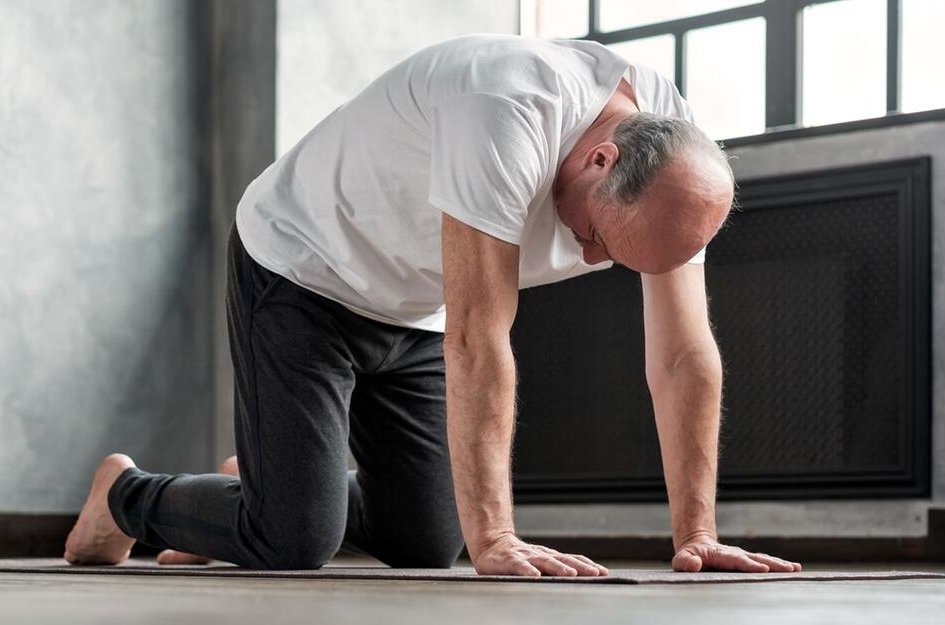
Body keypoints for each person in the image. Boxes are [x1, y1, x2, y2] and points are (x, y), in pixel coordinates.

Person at [64, 34, 801, 576]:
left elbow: (681, 352)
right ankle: (127, 494)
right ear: (598, 158)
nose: (588, 258)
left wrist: (697, 534)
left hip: (412, 308)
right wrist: (498, 540)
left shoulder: (677, 164)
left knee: (421, 540)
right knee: (293, 543)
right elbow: (481, 337)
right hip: (304, 271)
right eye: (600, 239)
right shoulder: (508, 108)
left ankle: (260, 489)